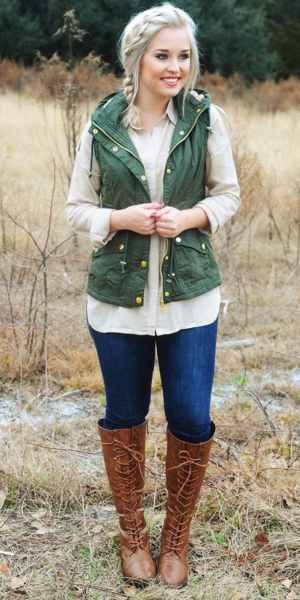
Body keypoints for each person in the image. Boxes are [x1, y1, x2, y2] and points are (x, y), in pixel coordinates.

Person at [66, 1, 240, 588]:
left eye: (184, 56)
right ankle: (133, 535)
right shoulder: (102, 124)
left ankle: (177, 539)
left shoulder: (206, 120)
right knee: (125, 414)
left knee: (190, 416)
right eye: (163, 55)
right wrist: (120, 219)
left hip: (191, 296)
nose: (175, 67)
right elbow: (77, 210)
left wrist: (191, 217)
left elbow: (228, 196)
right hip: (117, 299)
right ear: (137, 59)